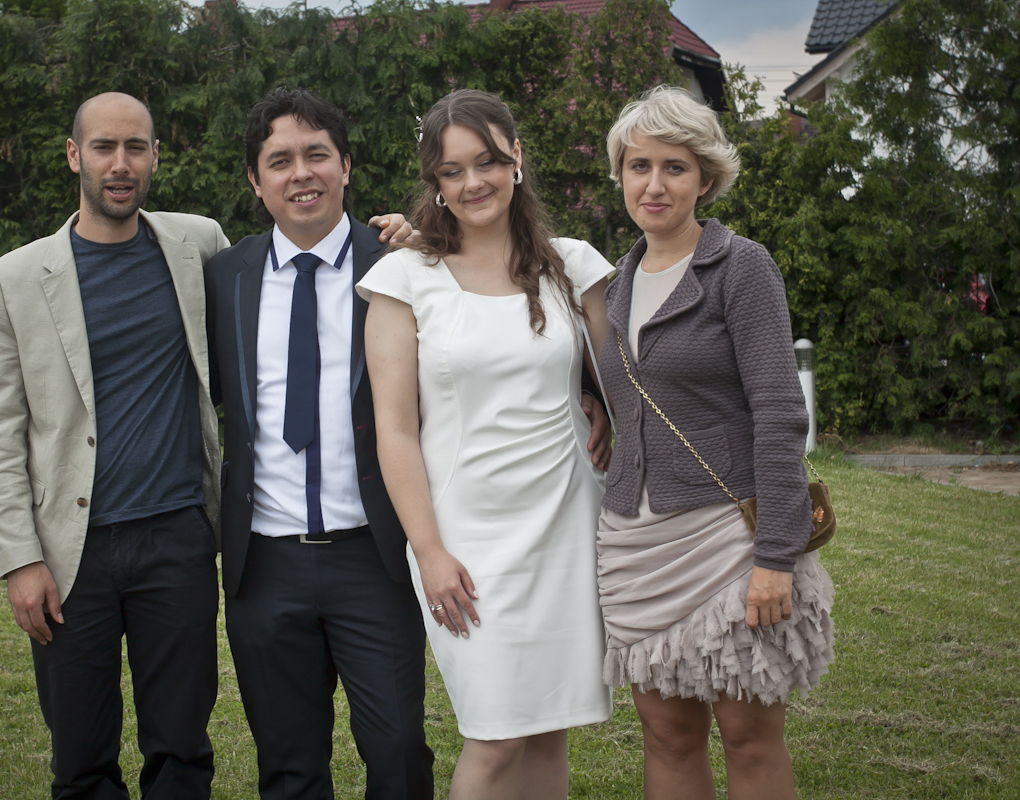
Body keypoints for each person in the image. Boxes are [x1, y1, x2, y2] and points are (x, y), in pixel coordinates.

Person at [358, 89, 614, 800]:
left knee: (547, 728)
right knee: (495, 739)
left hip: (566, 524)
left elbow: (631, 385)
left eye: (488, 162)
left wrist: (600, 404)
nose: (473, 182)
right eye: (452, 171)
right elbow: (394, 429)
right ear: (434, 183)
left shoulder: (573, 265)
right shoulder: (404, 278)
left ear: (516, 159)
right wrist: (429, 551)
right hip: (465, 539)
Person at [0, 92, 229, 799]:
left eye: (135, 147)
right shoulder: (14, 279)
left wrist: (396, 238)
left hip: (177, 538)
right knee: (81, 759)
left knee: (181, 749)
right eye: (104, 147)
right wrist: (19, 559)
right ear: (74, 156)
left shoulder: (199, 244)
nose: (121, 164)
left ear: (155, 157)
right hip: (68, 554)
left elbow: (282, 285)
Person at [594, 84, 835, 799]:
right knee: (666, 736)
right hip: (635, 544)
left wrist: (776, 558)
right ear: (621, 175)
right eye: (639, 166)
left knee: (748, 736)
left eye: (674, 167)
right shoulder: (614, 283)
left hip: (729, 540)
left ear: (705, 177)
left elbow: (779, 414)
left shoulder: (742, 266)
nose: (654, 184)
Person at [200, 88, 434, 800]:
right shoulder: (224, 278)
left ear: (346, 165)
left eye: (316, 155)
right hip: (264, 561)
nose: (300, 173)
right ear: (255, 180)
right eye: (279, 161)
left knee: (399, 754)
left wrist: (586, 389)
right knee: (289, 767)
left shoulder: (405, 263)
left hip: (373, 555)